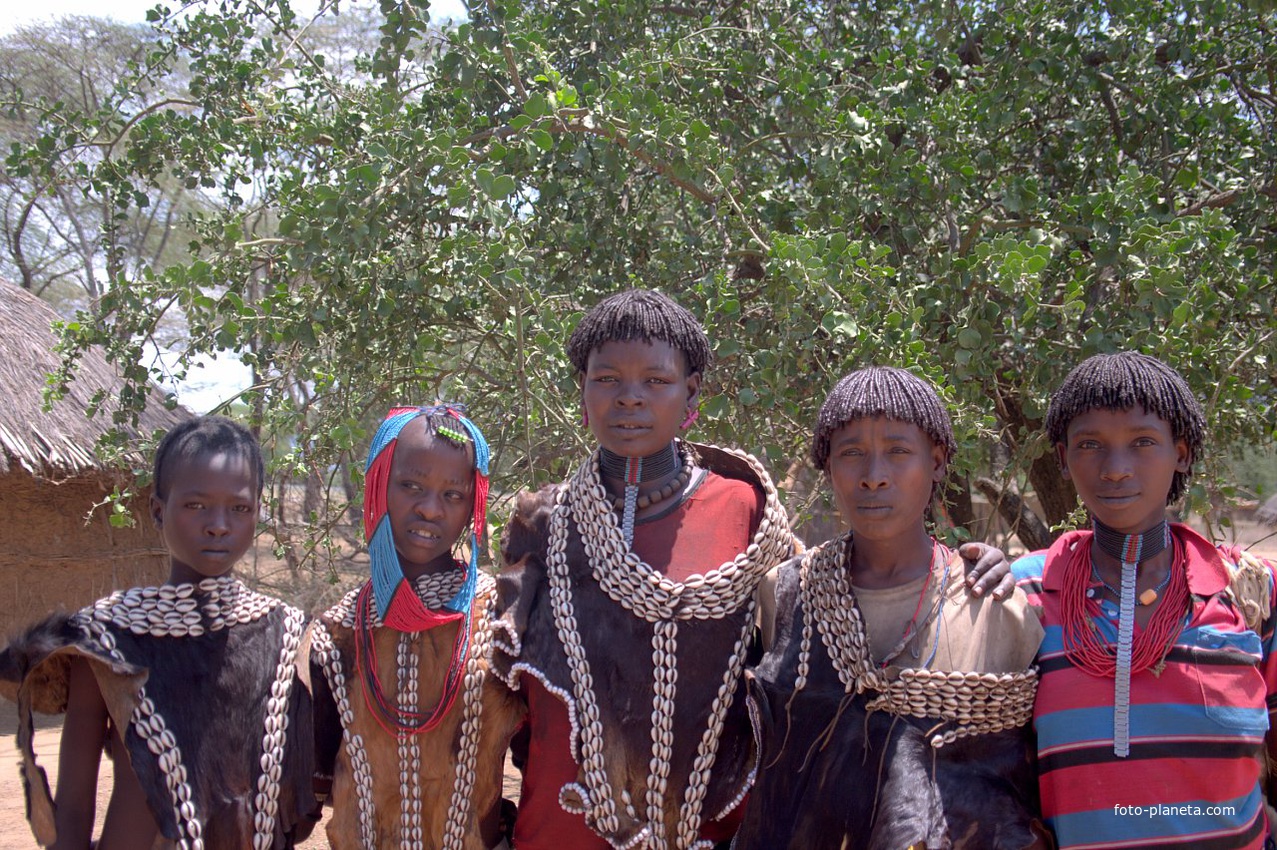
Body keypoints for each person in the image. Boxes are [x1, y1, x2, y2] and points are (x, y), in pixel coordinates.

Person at [491, 291, 1011, 849]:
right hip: (558, 829)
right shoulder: (543, 521)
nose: (630, 399)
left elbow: (814, 641)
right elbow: (504, 695)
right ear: (583, 389)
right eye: (607, 379)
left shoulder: (745, 513)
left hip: (714, 832)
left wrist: (964, 569)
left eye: (656, 382)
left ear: (691, 391)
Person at [735, 366, 1045, 849]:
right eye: (852, 454)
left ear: (938, 462)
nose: (874, 477)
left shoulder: (995, 607)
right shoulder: (784, 595)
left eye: (899, 452)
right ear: (829, 467)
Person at [0, 415, 315, 849]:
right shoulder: (106, 639)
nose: (218, 524)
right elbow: (73, 811)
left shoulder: (286, 636)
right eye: (196, 505)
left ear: (257, 513)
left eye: (239, 508)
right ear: (157, 511)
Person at [1011, 351, 1277, 849]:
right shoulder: (1024, 594)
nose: (1115, 468)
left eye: (1142, 442)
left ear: (1182, 453)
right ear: (1064, 459)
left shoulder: (1253, 594)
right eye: (1090, 444)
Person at [305, 405, 524, 849]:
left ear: (473, 505)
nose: (429, 509)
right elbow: (315, 785)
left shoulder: (505, 621)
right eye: (410, 486)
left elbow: (541, 765)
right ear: (378, 484)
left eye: (453, 495)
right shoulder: (338, 633)